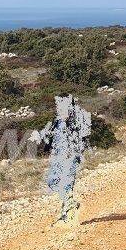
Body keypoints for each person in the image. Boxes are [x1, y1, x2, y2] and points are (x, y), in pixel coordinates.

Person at [36, 95, 92, 223]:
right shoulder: (57, 120)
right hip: (57, 155)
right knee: (52, 181)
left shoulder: (75, 119)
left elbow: (81, 136)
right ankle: (69, 207)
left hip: (70, 155)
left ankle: (67, 215)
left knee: (66, 184)